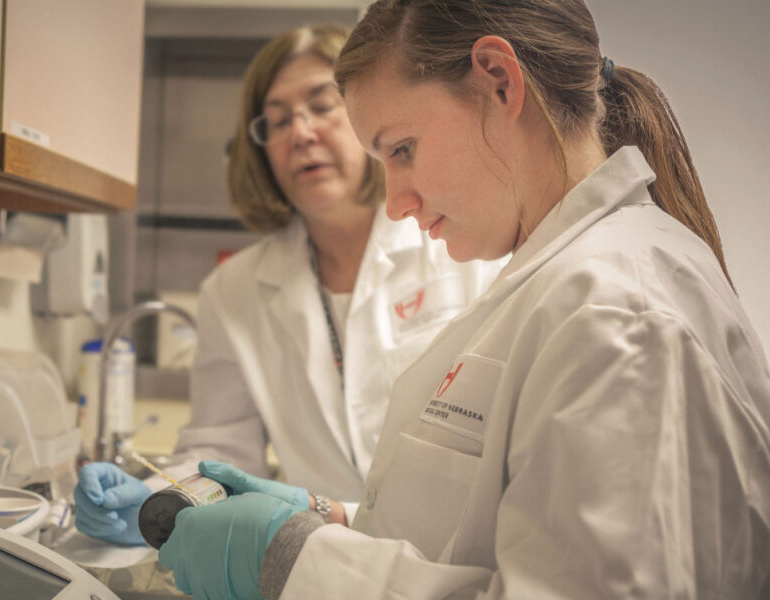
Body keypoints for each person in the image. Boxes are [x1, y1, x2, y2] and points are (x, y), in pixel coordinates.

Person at [152, 1, 770, 598]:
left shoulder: (617, 311)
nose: (396, 201)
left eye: (402, 149)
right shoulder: (557, 285)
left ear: (498, 82)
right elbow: (491, 527)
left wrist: (294, 559)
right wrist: (327, 516)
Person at [73, 23, 505, 546]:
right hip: (319, 562)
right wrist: (159, 497)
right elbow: (222, 450)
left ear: (372, 115)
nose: (299, 133)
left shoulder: (458, 241)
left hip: (455, 558)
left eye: (322, 106)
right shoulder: (234, 290)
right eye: (277, 121)